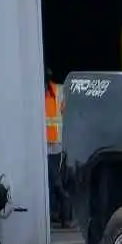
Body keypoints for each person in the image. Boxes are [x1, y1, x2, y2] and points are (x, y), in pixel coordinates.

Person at [45, 68, 70, 227]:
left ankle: (64, 217)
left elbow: (66, 114)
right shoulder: (40, 92)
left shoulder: (59, 91)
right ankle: (57, 215)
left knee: (57, 183)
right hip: (44, 146)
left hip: (56, 146)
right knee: (52, 183)